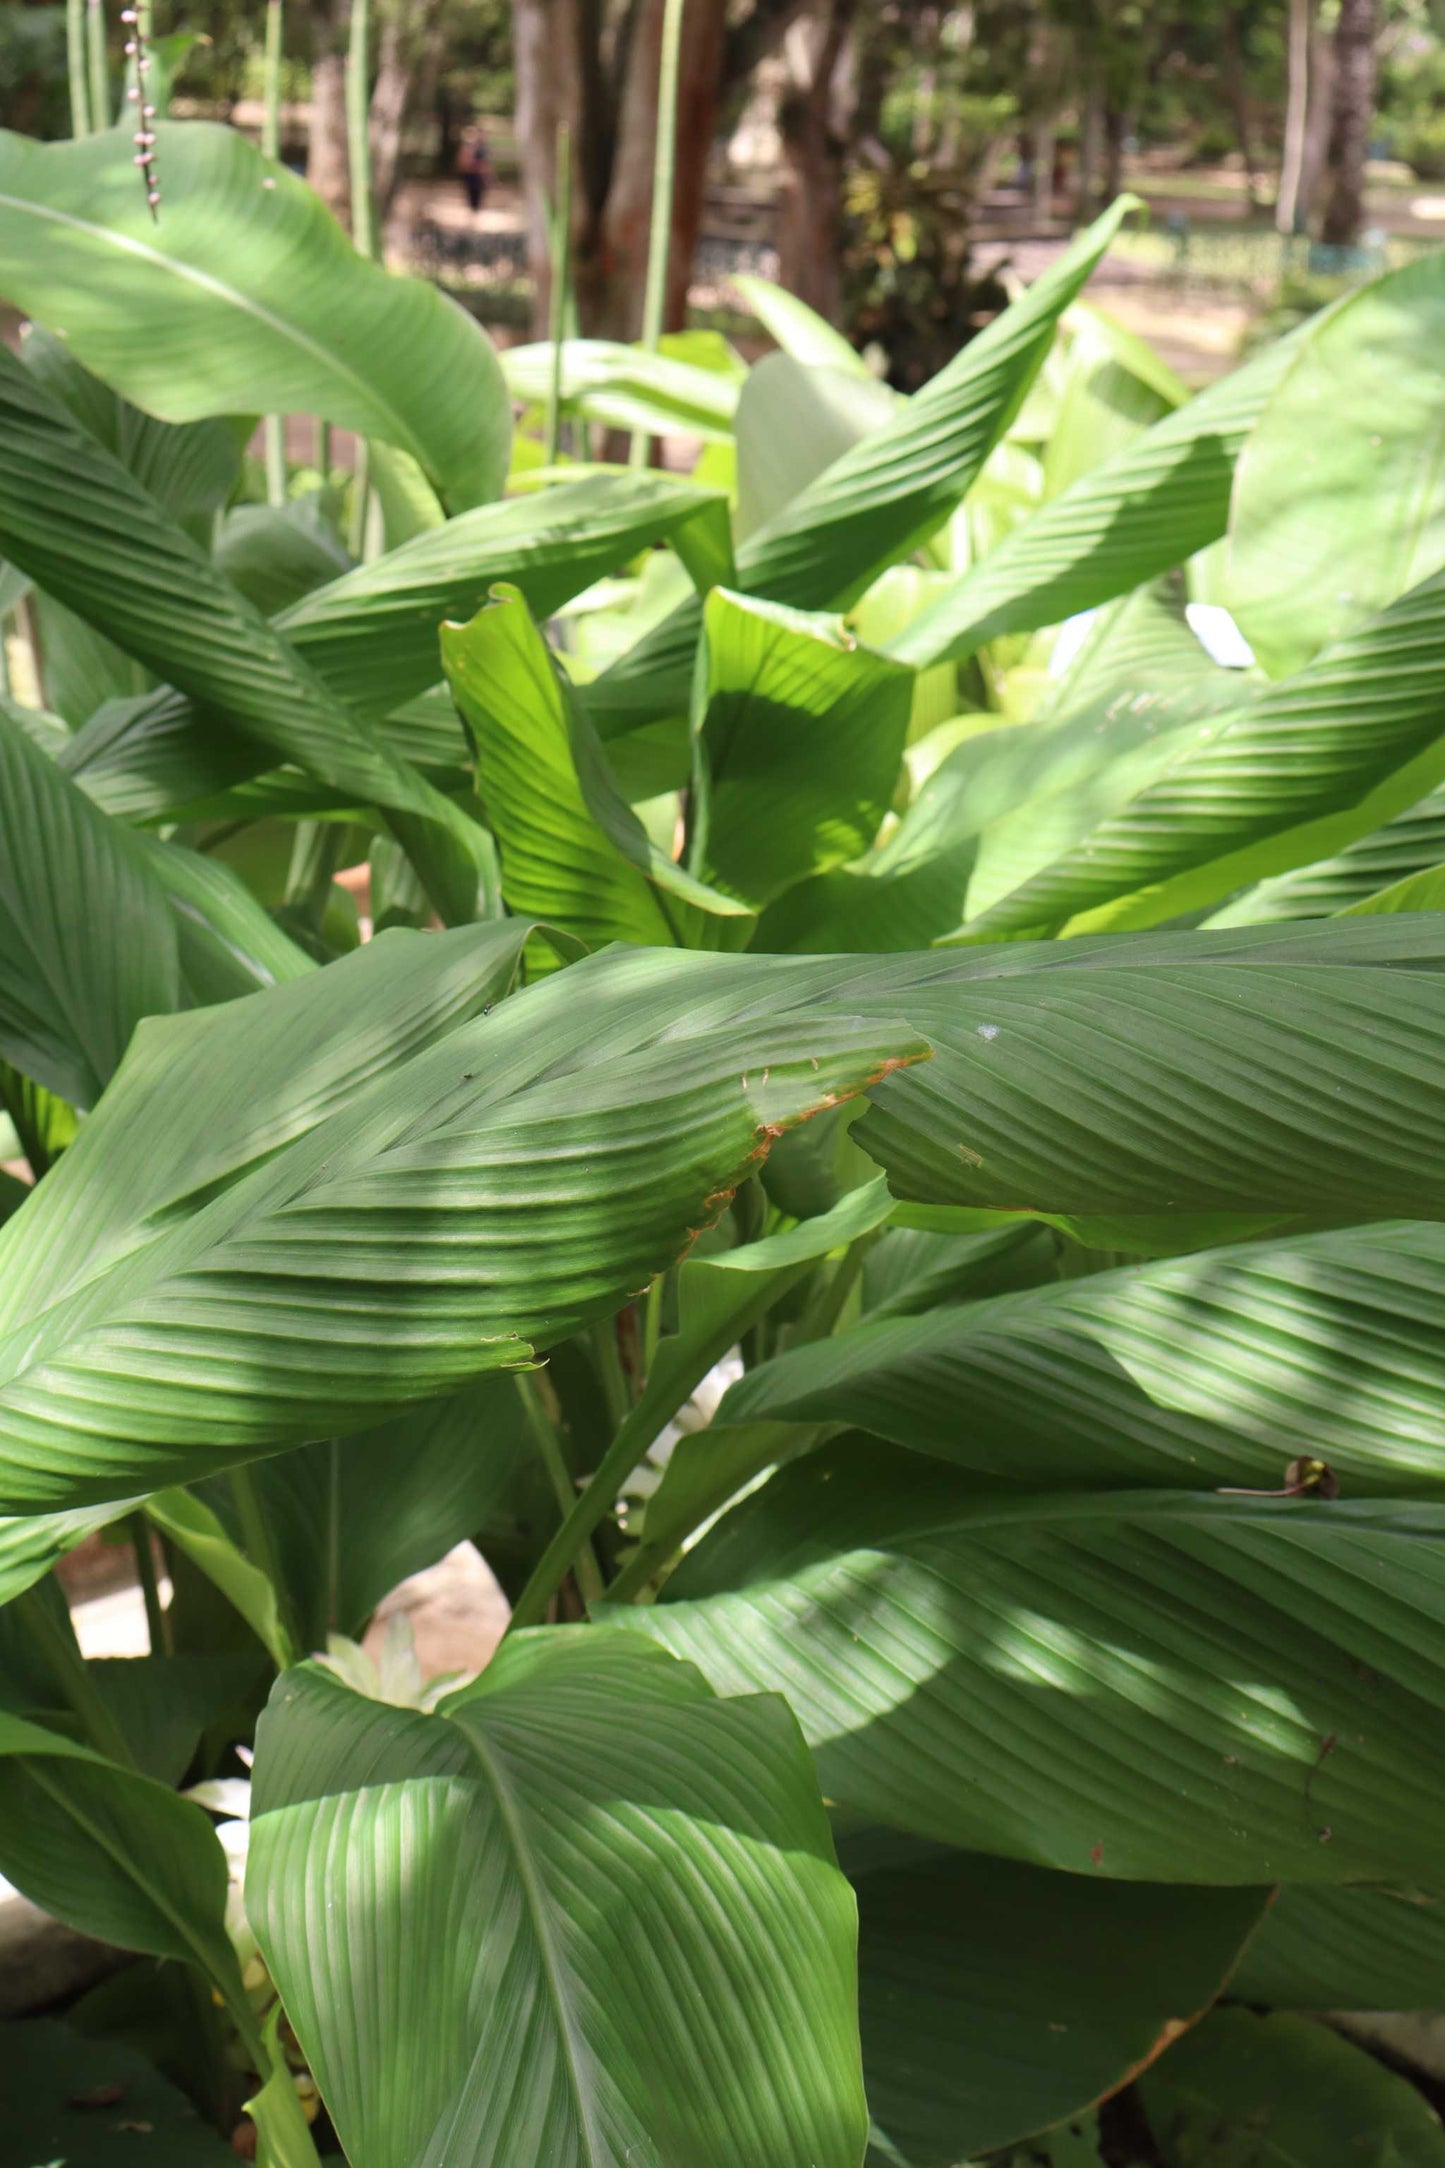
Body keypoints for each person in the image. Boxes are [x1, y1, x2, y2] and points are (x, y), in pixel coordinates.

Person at [457, 126, 491, 218]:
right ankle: (473, 211)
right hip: (470, 173)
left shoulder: (481, 148)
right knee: (471, 192)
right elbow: (462, 161)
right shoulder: (467, 147)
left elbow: (485, 163)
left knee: (477, 192)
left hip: (477, 174)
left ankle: (475, 211)